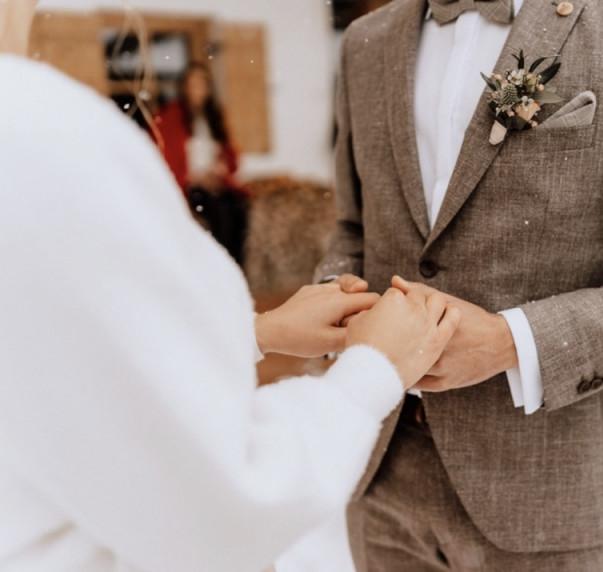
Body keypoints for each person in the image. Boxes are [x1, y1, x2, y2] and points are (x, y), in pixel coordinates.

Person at [0, 2, 460, 571]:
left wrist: (254, 332)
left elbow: (53, 363)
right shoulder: (39, 138)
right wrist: (373, 370)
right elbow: (223, 508)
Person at [315, 0, 603, 569]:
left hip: (549, 497)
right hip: (380, 482)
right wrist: (336, 298)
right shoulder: (366, 40)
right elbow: (354, 228)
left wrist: (510, 341)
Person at [155, 62, 249, 266]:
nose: (197, 90)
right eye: (192, 84)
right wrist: (192, 176)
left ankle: (237, 268)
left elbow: (229, 155)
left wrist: (221, 169)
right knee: (218, 213)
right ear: (184, 87)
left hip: (214, 181)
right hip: (190, 184)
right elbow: (166, 157)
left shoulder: (214, 117)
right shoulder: (171, 117)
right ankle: (220, 268)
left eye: (201, 84)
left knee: (238, 208)